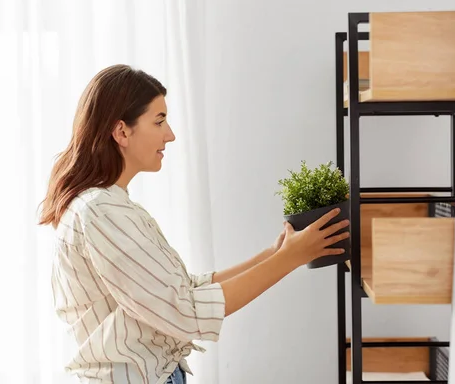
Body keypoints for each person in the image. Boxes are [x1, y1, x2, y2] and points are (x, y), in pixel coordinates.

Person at [38, 64, 350, 384]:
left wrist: (273, 254)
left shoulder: (110, 207)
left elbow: (182, 290)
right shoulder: (102, 213)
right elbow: (186, 311)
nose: (170, 134)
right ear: (122, 131)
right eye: (159, 121)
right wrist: (289, 259)